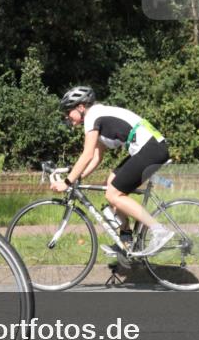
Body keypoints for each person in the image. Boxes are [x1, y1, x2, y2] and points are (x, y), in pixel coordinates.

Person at [53, 86, 174, 257]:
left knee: (113, 195)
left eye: (68, 111)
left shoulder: (92, 116)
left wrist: (67, 182)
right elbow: (96, 157)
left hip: (151, 149)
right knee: (111, 184)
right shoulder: (98, 117)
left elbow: (86, 155)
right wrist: (78, 177)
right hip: (146, 148)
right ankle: (126, 241)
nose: (67, 117)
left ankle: (159, 231)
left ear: (80, 107)